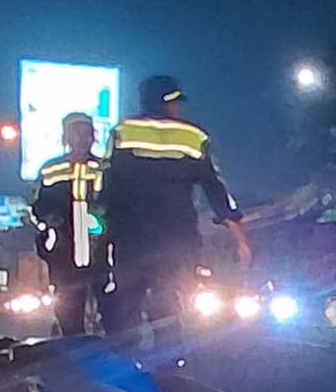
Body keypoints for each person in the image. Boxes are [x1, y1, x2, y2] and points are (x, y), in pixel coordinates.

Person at [100, 75, 249, 339]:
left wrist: (105, 229)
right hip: (176, 238)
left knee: (126, 309)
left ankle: (124, 366)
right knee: (168, 308)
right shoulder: (193, 136)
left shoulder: (122, 132)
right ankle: (171, 369)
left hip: (130, 238)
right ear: (166, 103)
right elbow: (215, 187)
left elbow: (106, 186)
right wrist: (237, 232)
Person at [29, 111, 112, 335]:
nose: (83, 139)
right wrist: (48, 221)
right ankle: (73, 354)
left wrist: (104, 217)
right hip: (64, 254)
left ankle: (111, 355)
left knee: (111, 309)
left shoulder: (105, 170)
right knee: (68, 312)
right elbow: (36, 206)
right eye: (77, 133)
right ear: (66, 137)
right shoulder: (50, 170)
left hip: (100, 253)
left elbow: (119, 203)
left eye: (87, 133)